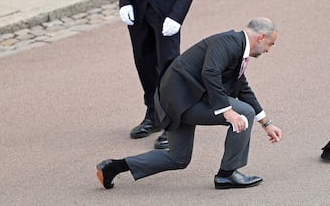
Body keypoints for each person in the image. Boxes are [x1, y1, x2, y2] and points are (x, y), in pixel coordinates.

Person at [97, 17, 282, 189]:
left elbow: (242, 87)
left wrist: (266, 123)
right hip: (182, 101)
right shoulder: (229, 43)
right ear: (261, 37)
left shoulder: (236, 47)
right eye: (270, 44)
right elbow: (210, 72)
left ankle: (113, 167)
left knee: (177, 158)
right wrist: (228, 111)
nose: (268, 50)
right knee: (244, 113)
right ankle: (228, 173)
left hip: (177, 101)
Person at [117, 0, 198, 149]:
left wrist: (177, 16)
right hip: (140, 8)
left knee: (169, 69)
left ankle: (172, 123)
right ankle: (153, 115)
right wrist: (124, 0)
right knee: (143, 63)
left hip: (166, 10)